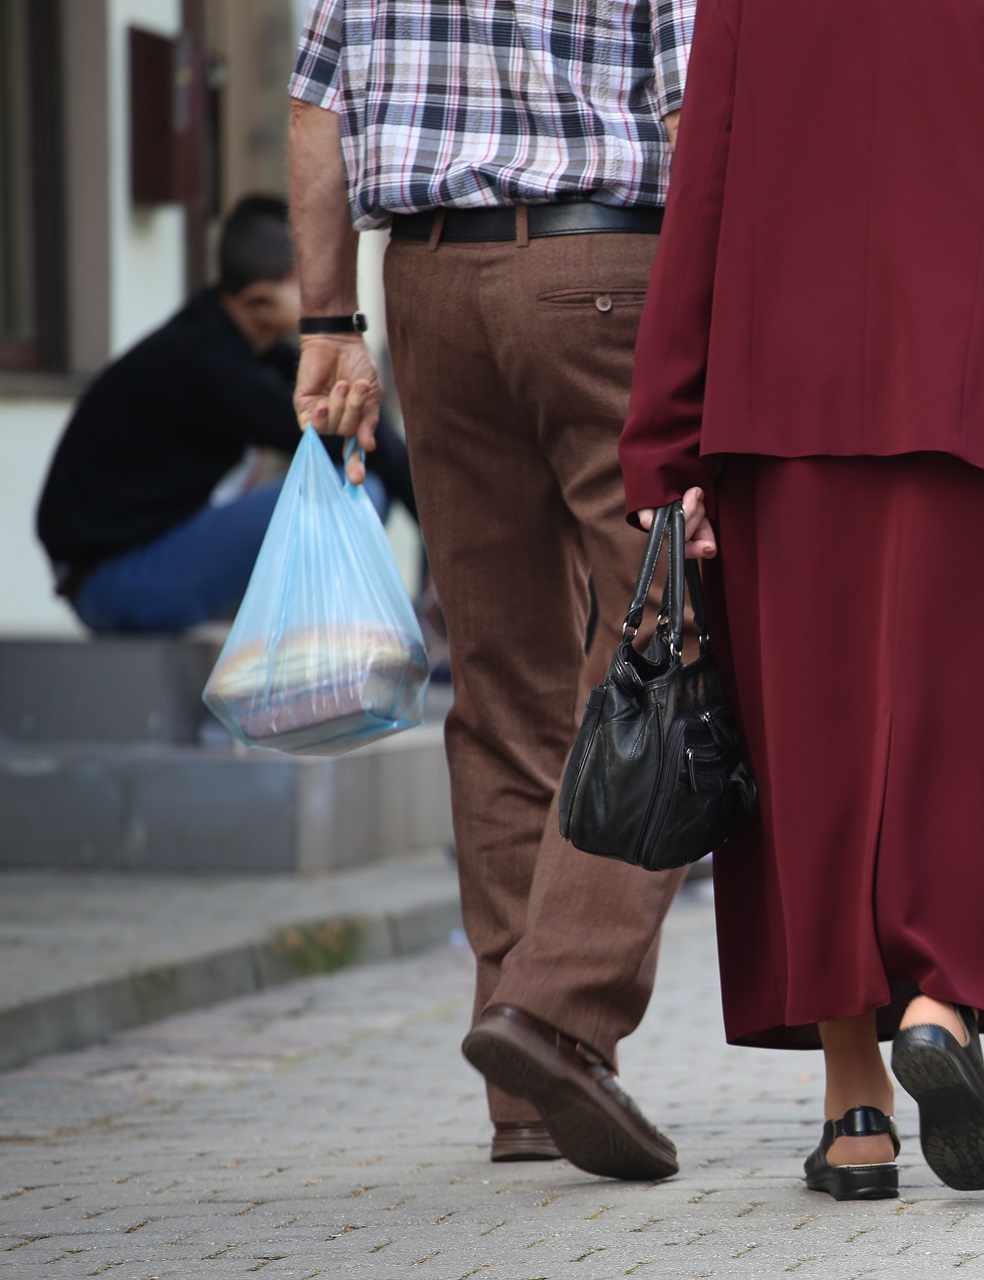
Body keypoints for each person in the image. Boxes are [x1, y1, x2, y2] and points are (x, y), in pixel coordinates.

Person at [621, 0, 984, 1200]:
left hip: (785, 407)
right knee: (972, 739)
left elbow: (705, 205)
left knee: (815, 759)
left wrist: (665, 450)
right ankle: (938, 1001)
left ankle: (854, 1111)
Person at [287, 0, 696, 1179]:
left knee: (503, 669)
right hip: (612, 269)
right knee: (668, 642)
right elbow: (696, 112)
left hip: (428, 286)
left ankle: (521, 1091)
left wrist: (329, 320)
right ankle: (556, 1012)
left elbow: (317, 111)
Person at [35, 196, 416, 634]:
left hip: (128, 566)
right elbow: (350, 438)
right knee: (356, 491)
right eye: (311, 284)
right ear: (257, 299)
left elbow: (362, 429)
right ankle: (318, 639)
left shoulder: (236, 347)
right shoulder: (207, 363)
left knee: (359, 473)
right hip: (115, 582)